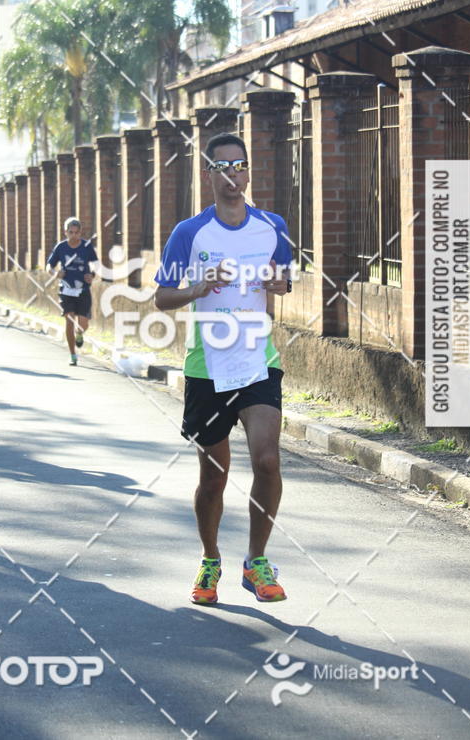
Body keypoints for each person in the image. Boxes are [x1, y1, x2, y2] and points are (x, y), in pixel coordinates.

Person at [154, 133, 293, 605]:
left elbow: (284, 280)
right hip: (207, 368)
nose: (232, 175)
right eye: (222, 166)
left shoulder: (272, 226)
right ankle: (210, 559)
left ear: (248, 171)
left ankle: (256, 561)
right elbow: (161, 298)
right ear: (208, 174)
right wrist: (196, 288)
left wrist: (281, 283)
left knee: (268, 460)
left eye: (239, 165)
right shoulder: (189, 233)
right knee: (214, 476)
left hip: (258, 362)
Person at [46, 217, 98, 366]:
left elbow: (95, 264)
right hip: (66, 290)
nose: (74, 235)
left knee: (83, 323)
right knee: (69, 321)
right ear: (65, 232)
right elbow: (49, 265)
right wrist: (55, 273)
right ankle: (72, 355)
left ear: (80, 232)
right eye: (71, 232)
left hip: (83, 289)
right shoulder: (61, 247)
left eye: (77, 232)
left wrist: (92, 274)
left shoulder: (86, 246)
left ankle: (80, 333)